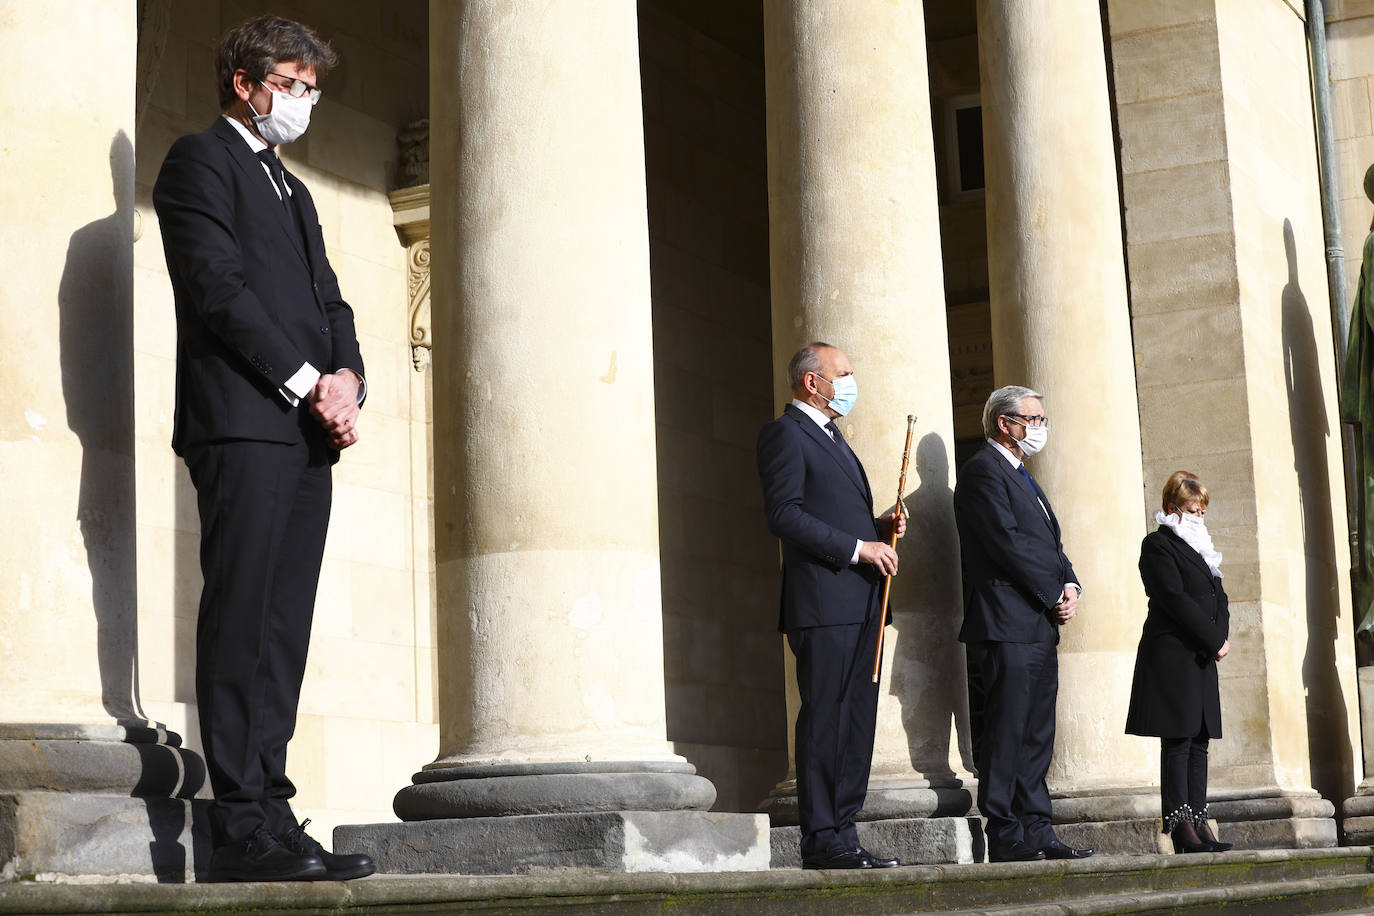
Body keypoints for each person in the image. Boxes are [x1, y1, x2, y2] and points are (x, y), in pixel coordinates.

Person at [153, 15, 374, 883]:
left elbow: (332, 302)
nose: (303, 100)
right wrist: (307, 380)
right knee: (242, 618)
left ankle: (275, 815)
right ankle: (240, 825)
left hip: (307, 436)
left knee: (283, 629)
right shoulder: (199, 162)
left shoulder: (294, 189)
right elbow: (217, 288)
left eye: (312, 88)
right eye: (290, 84)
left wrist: (348, 379)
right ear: (245, 84)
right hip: (243, 424)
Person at [757, 342, 906, 870]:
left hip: (863, 600)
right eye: (842, 373)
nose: (849, 382)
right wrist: (859, 547)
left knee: (856, 721)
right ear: (812, 382)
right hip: (824, 602)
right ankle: (822, 839)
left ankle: (845, 833)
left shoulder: (834, 436)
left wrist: (878, 528)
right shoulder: (785, 433)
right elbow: (784, 514)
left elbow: (834, 511)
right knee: (827, 719)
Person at [954, 386, 1093, 863]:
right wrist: (1051, 592)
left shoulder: (1024, 476)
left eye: (1041, 419)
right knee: (1007, 730)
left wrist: (1070, 584)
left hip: (1037, 624)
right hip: (1005, 621)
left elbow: (1051, 546)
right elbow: (1006, 542)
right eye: (1032, 419)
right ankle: (1005, 832)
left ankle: (1038, 828)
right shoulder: (982, 471)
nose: (1039, 428)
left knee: (1037, 733)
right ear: (1004, 423)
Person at [1126, 472, 1232, 854]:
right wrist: (1212, 639)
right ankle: (1179, 825)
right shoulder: (1158, 545)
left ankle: (1200, 821)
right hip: (1174, 655)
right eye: (1192, 510)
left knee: (1200, 740)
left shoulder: (1203, 550)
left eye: (1202, 511)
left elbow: (1219, 597)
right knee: (1179, 738)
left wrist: (1219, 638)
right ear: (1173, 508)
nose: (1199, 516)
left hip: (1202, 657)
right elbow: (1173, 598)